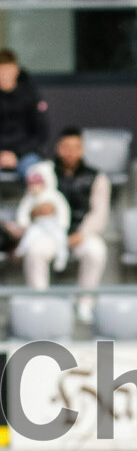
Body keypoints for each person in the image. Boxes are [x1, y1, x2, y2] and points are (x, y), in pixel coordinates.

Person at [53, 127, 110, 321]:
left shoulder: (97, 177)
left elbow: (99, 213)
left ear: (82, 150)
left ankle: (85, 303)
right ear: (58, 148)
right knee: (35, 251)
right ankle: (40, 300)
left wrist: (81, 234)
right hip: (50, 234)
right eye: (66, 147)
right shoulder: (44, 172)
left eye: (75, 147)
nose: (70, 152)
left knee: (96, 250)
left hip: (79, 234)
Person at [4, 161, 70, 287]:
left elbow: (63, 211)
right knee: (30, 239)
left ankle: (62, 258)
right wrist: (26, 222)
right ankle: (20, 251)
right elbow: (23, 213)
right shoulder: (29, 198)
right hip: (36, 227)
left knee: (60, 239)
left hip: (53, 228)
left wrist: (62, 224)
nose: (35, 187)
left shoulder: (55, 196)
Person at [0, 47, 48, 178]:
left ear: (16, 70)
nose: (3, 76)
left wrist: (17, 153)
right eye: (0, 71)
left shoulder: (30, 95)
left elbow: (40, 134)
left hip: (26, 155)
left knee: (37, 176)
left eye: (7, 70)